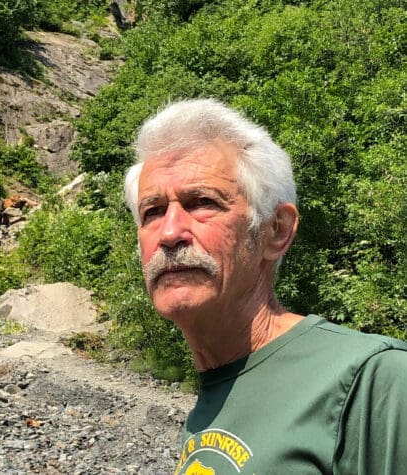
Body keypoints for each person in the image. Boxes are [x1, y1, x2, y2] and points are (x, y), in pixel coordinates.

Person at [123, 98, 407, 474]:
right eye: (153, 212)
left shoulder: (376, 381)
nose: (170, 233)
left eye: (202, 202)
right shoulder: (215, 390)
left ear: (275, 231)